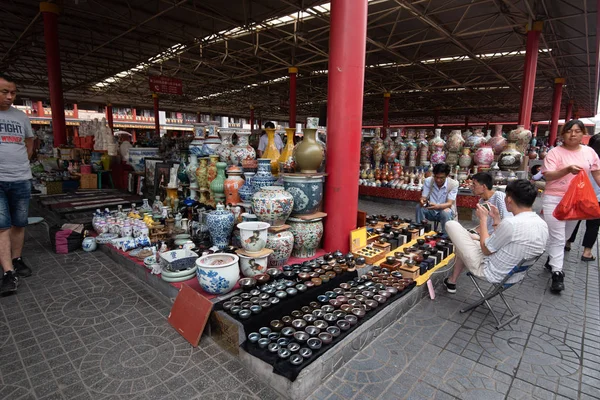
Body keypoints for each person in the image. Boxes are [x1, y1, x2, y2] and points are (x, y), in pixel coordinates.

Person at [443, 180, 548, 293]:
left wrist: (483, 219)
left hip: (489, 270)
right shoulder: (542, 224)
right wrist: (496, 218)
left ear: (508, 199)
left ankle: (452, 281)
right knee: (466, 240)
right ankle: (452, 281)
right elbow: (499, 242)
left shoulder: (511, 223)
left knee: (451, 224)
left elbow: (486, 250)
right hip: (513, 274)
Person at [541, 120, 600, 292]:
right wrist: (566, 170)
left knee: (565, 236)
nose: (573, 134)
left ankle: (552, 258)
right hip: (555, 199)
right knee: (559, 238)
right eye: (569, 131)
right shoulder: (554, 153)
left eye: (577, 131)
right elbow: (548, 176)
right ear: (563, 134)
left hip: (577, 201)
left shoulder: (590, 153)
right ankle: (557, 273)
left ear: (583, 133)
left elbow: (596, 173)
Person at [0, 74, 34, 295]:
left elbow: (29, 142)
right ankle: (8, 272)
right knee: (2, 224)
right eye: (5, 92)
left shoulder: (21, 117)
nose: (9, 96)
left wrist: (22, 161)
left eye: (13, 92)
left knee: (19, 222)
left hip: (21, 177)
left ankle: (17, 258)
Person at [564, 133, 600, 261]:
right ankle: (587, 252)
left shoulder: (585, 158)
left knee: (575, 219)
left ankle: (567, 242)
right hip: (597, 198)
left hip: (580, 194)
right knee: (593, 225)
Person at [416, 163, 458, 236]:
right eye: (436, 177)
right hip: (431, 209)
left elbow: (449, 203)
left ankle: (445, 237)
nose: (438, 180)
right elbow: (424, 197)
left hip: (444, 209)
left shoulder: (453, 184)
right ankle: (420, 231)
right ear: (433, 174)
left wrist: (438, 206)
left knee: (446, 212)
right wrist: (422, 200)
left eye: (441, 178)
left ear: (447, 176)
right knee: (419, 207)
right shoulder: (428, 181)